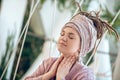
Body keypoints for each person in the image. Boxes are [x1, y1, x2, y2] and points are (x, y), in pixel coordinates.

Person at [25, 9, 119, 80]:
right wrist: (48, 75)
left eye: (71, 37)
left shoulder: (85, 75)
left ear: (82, 46)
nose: (63, 38)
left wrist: (60, 77)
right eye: (62, 33)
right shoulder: (48, 63)